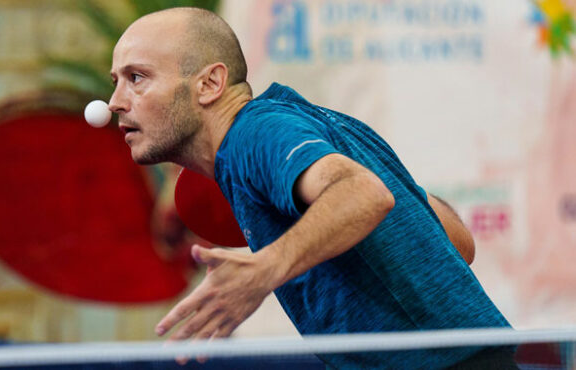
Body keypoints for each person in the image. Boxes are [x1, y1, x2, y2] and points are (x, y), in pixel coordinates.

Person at [108, 7, 515, 369]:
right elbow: (458, 245)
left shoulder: (254, 135)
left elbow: (364, 194)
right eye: (116, 81)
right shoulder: (317, 125)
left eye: (137, 78)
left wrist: (264, 270)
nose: (114, 102)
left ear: (210, 84)